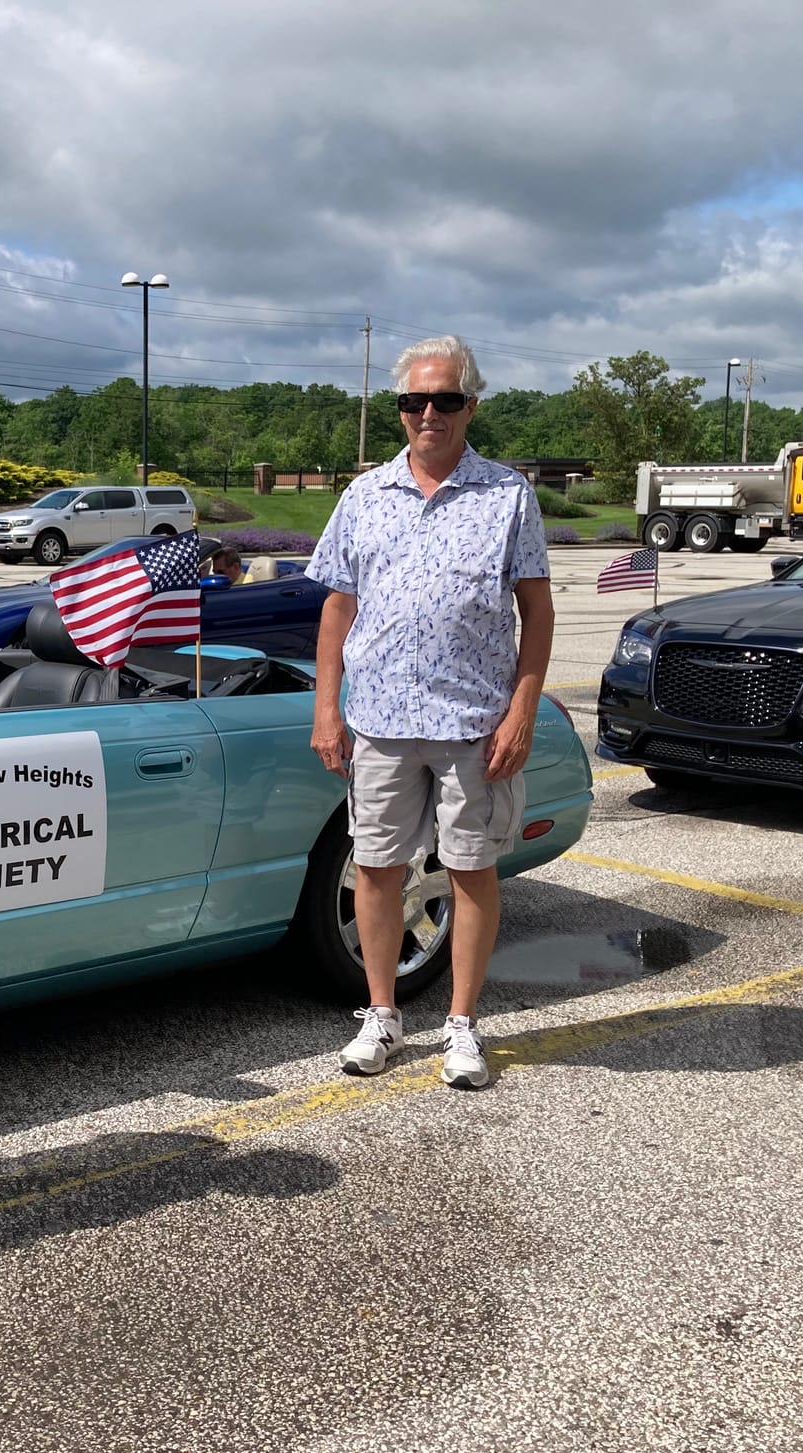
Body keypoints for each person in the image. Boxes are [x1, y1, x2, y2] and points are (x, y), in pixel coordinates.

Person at [305, 335, 554, 1088]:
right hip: (379, 719)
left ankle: (463, 1026)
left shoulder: (507, 496)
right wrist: (327, 707)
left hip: (472, 726)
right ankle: (381, 1016)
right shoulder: (363, 497)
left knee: (471, 871)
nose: (428, 414)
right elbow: (336, 611)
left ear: (471, 404)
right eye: (414, 401)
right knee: (376, 869)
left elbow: (536, 614)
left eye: (445, 399)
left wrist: (522, 712)